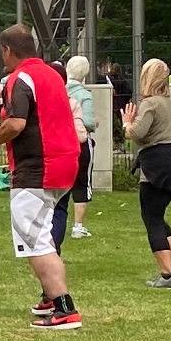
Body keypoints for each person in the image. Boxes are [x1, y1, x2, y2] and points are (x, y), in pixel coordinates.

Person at [0, 25, 83, 329]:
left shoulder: (19, 78)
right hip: (66, 162)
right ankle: (49, 298)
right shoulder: (52, 74)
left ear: (7, 50)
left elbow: (16, 123)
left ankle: (64, 306)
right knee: (41, 234)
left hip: (38, 166)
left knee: (35, 238)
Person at [123, 59, 171, 288]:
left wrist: (126, 123)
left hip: (157, 163)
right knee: (158, 214)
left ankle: (167, 274)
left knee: (151, 218)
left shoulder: (150, 104)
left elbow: (138, 133)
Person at [64, 56, 99, 240]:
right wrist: (96, 124)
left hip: (62, 142)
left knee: (62, 181)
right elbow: (88, 122)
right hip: (80, 143)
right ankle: (78, 226)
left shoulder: (60, 91)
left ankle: (56, 219)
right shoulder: (84, 95)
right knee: (82, 182)